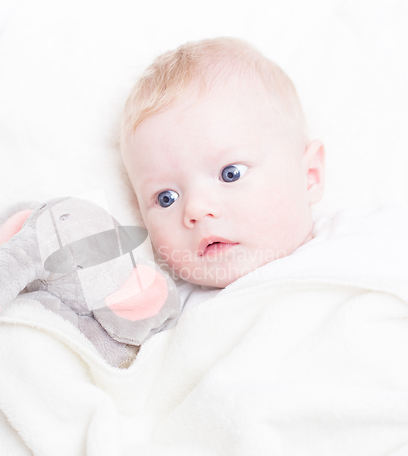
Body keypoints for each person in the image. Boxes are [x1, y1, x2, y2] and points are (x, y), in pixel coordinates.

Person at [119, 36, 326, 311]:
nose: (196, 208)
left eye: (231, 174)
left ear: (310, 175)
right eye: (166, 198)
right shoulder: (168, 314)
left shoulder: (367, 244)